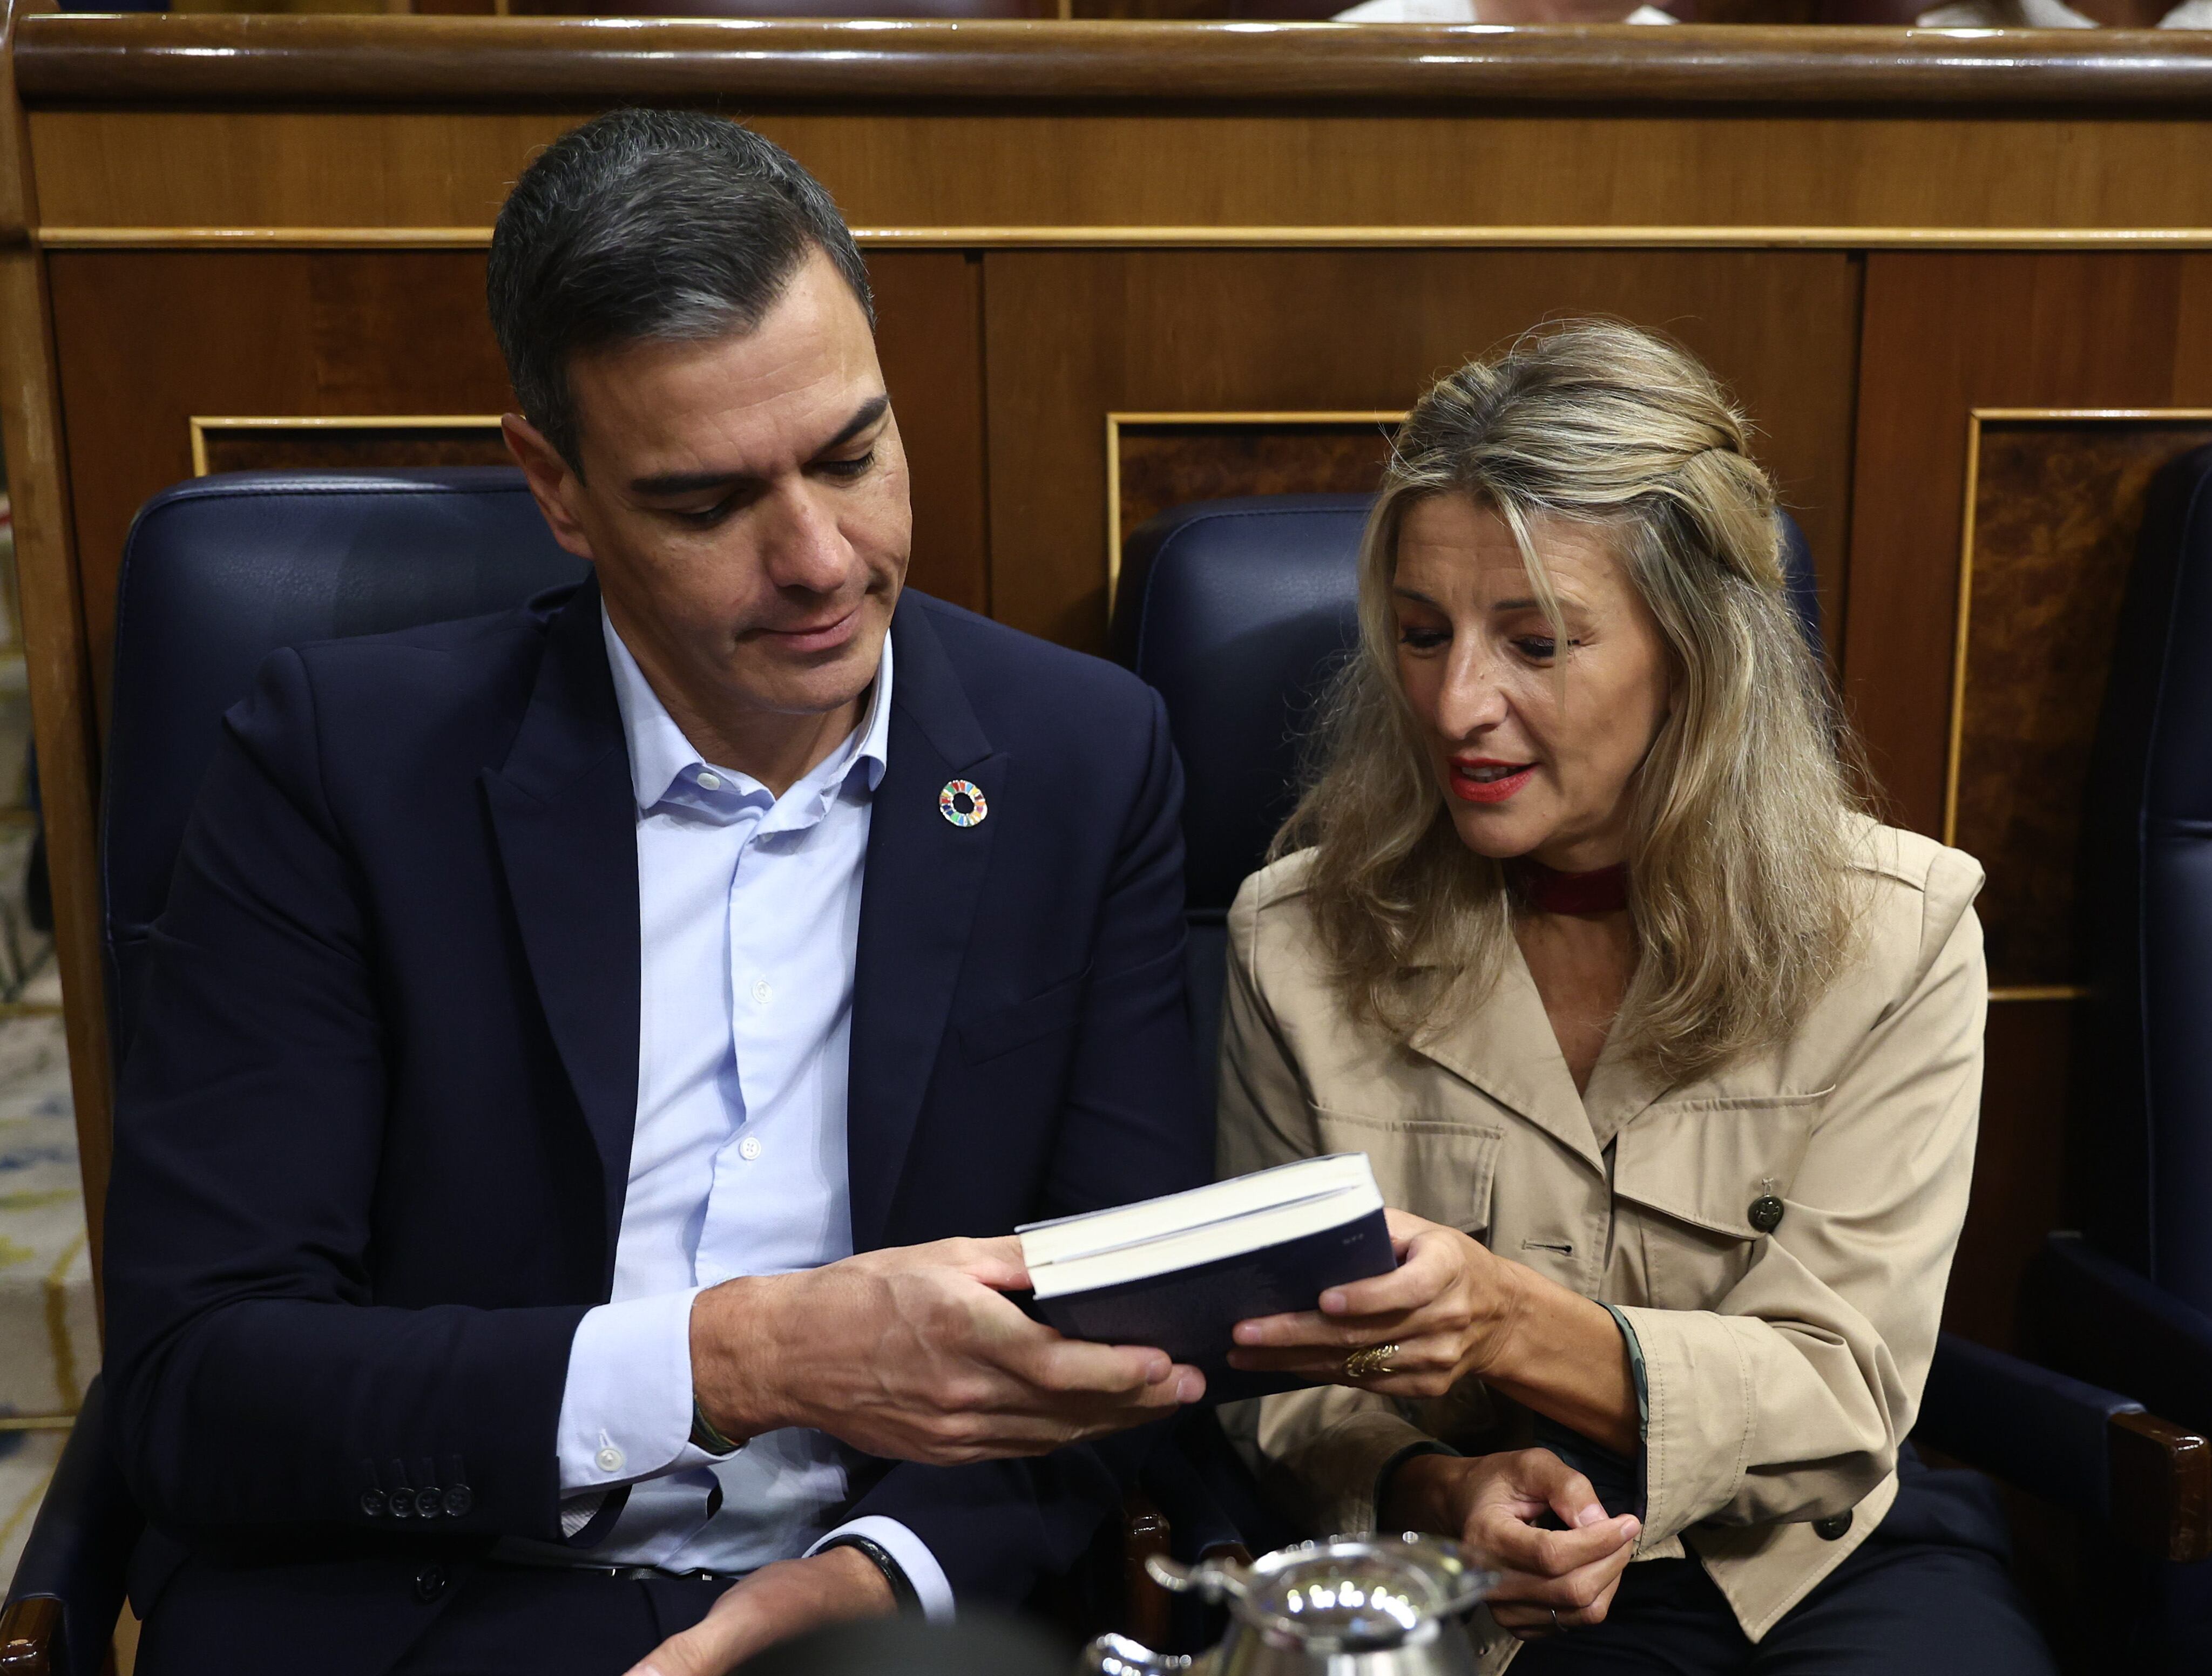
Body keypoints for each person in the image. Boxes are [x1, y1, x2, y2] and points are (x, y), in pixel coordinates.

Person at [100, 111, 1212, 1676]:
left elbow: (1120, 1342)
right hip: (428, 1604)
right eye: (708, 505)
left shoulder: (1082, 761)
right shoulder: (341, 768)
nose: (822, 559)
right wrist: (736, 1357)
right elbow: (200, 1381)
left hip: (872, 1619)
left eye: (852, 454)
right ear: (557, 488)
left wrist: (845, 1594)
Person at [1213, 322, 2055, 1673]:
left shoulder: (1902, 934)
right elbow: (1280, 1385)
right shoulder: (1294, 941)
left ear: (1695, 656)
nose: (1456, 702)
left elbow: (1842, 1392)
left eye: (1537, 642)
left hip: (1818, 1553)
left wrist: (1507, 1317)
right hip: (1503, 1580)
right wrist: (1436, 1491)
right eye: (1423, 635)